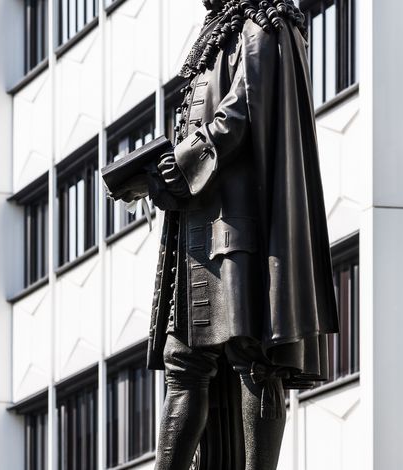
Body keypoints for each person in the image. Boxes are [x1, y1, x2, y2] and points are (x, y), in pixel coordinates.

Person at [143, 1, 341, 468]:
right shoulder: (217, 34)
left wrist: (185, 163)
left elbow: (238, 114)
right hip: (195, 232)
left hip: (240, 230)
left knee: (254, 355)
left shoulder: (264, 24)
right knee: (183, 361)